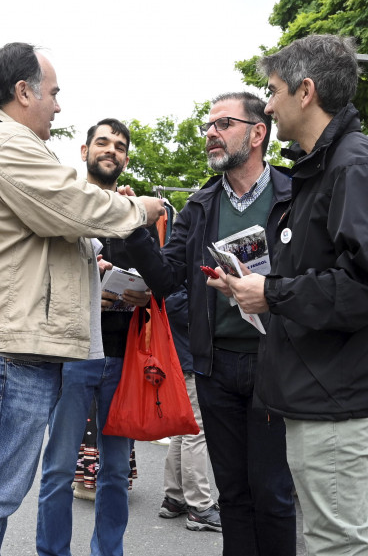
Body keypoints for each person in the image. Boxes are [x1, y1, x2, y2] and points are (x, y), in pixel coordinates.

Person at [0, 44, 165, 556]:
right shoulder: (4, 143)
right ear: (22, 92)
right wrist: (143, 209)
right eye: (53, 93)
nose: (58, 106)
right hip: (3, 347)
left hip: (5, 344)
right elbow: (70, 207)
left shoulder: (1, 143)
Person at [219, 34, 368, 556]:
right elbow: (325, 269)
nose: (268, 103)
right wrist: (258, 286)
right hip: (321, 390)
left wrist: (273, 293)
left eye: (273, 90)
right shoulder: (322, 166)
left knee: (337, 543)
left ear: (306, 92)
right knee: (330, 537)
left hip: (336, 396)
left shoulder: (354, 165)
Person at [126, 92, 296, 555]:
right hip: (216, 367)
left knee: (274, 494)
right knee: (234, 495)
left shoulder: (294, 196)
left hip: (275, 362)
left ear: (258, 133)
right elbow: (164, 278)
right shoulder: (201, 205)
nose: (210, 134)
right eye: (208, 126)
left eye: (223, 123)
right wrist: (136, 230)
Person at [36, 117, 153, 556]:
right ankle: (53, 551)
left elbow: (157, 277)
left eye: (120, 146)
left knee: (115, 472)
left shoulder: (132, 215)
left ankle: (109, 552)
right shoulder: (65, 204)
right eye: (102, 142)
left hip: (123, 359)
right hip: (74, 354)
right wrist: (89, 286)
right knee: (60, 468)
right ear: (84, 151)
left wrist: (134, 289)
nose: (112, 150)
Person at [159, 286, 220, 531]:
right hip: (190, 359)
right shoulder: (184, 257)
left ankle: (175, 498)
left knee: (183, 431)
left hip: (182, 358)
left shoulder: (176, 260)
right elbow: (177, 306)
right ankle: (200, 506)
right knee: (195, 431)